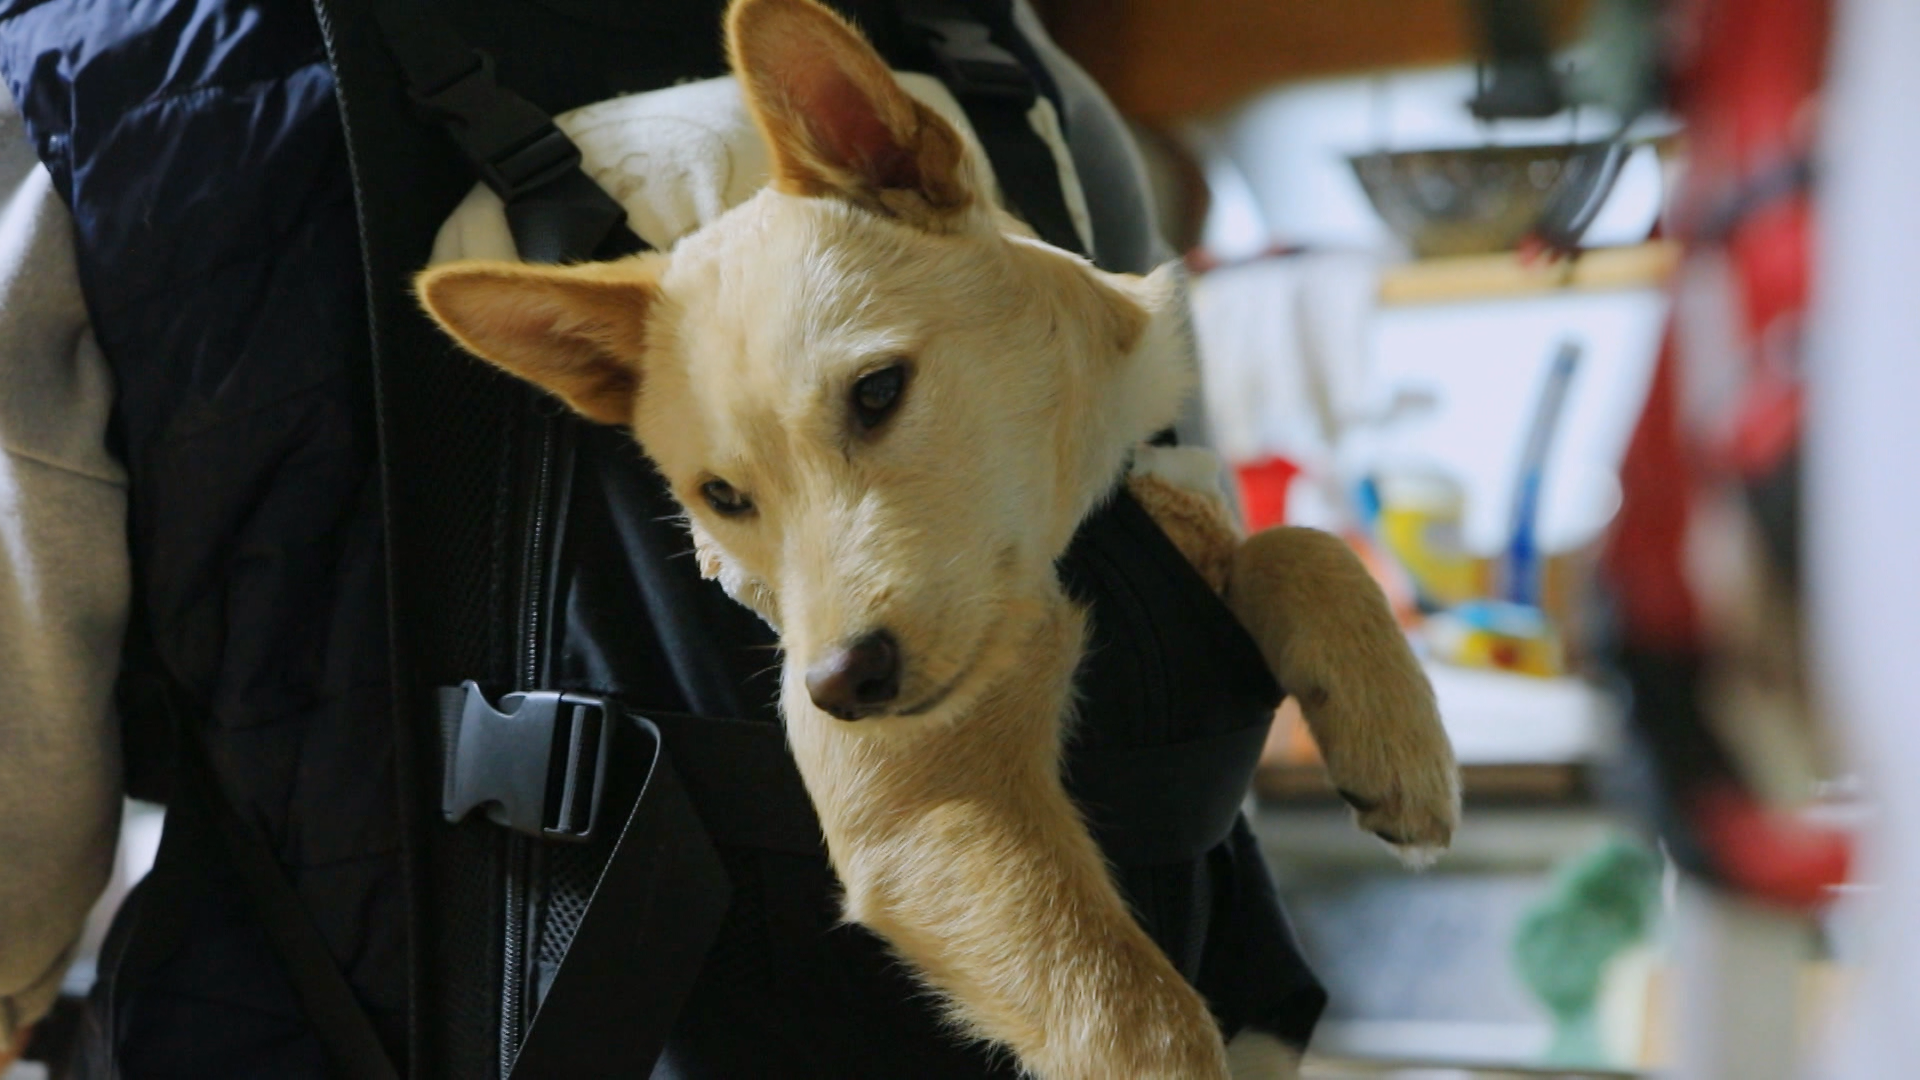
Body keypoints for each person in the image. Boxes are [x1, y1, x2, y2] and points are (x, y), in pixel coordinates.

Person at [0, 2, 1323, 1075]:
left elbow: (19, 768)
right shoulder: (990, 49)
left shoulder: (113, 85)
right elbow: (1173, 570)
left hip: (367, 1018)